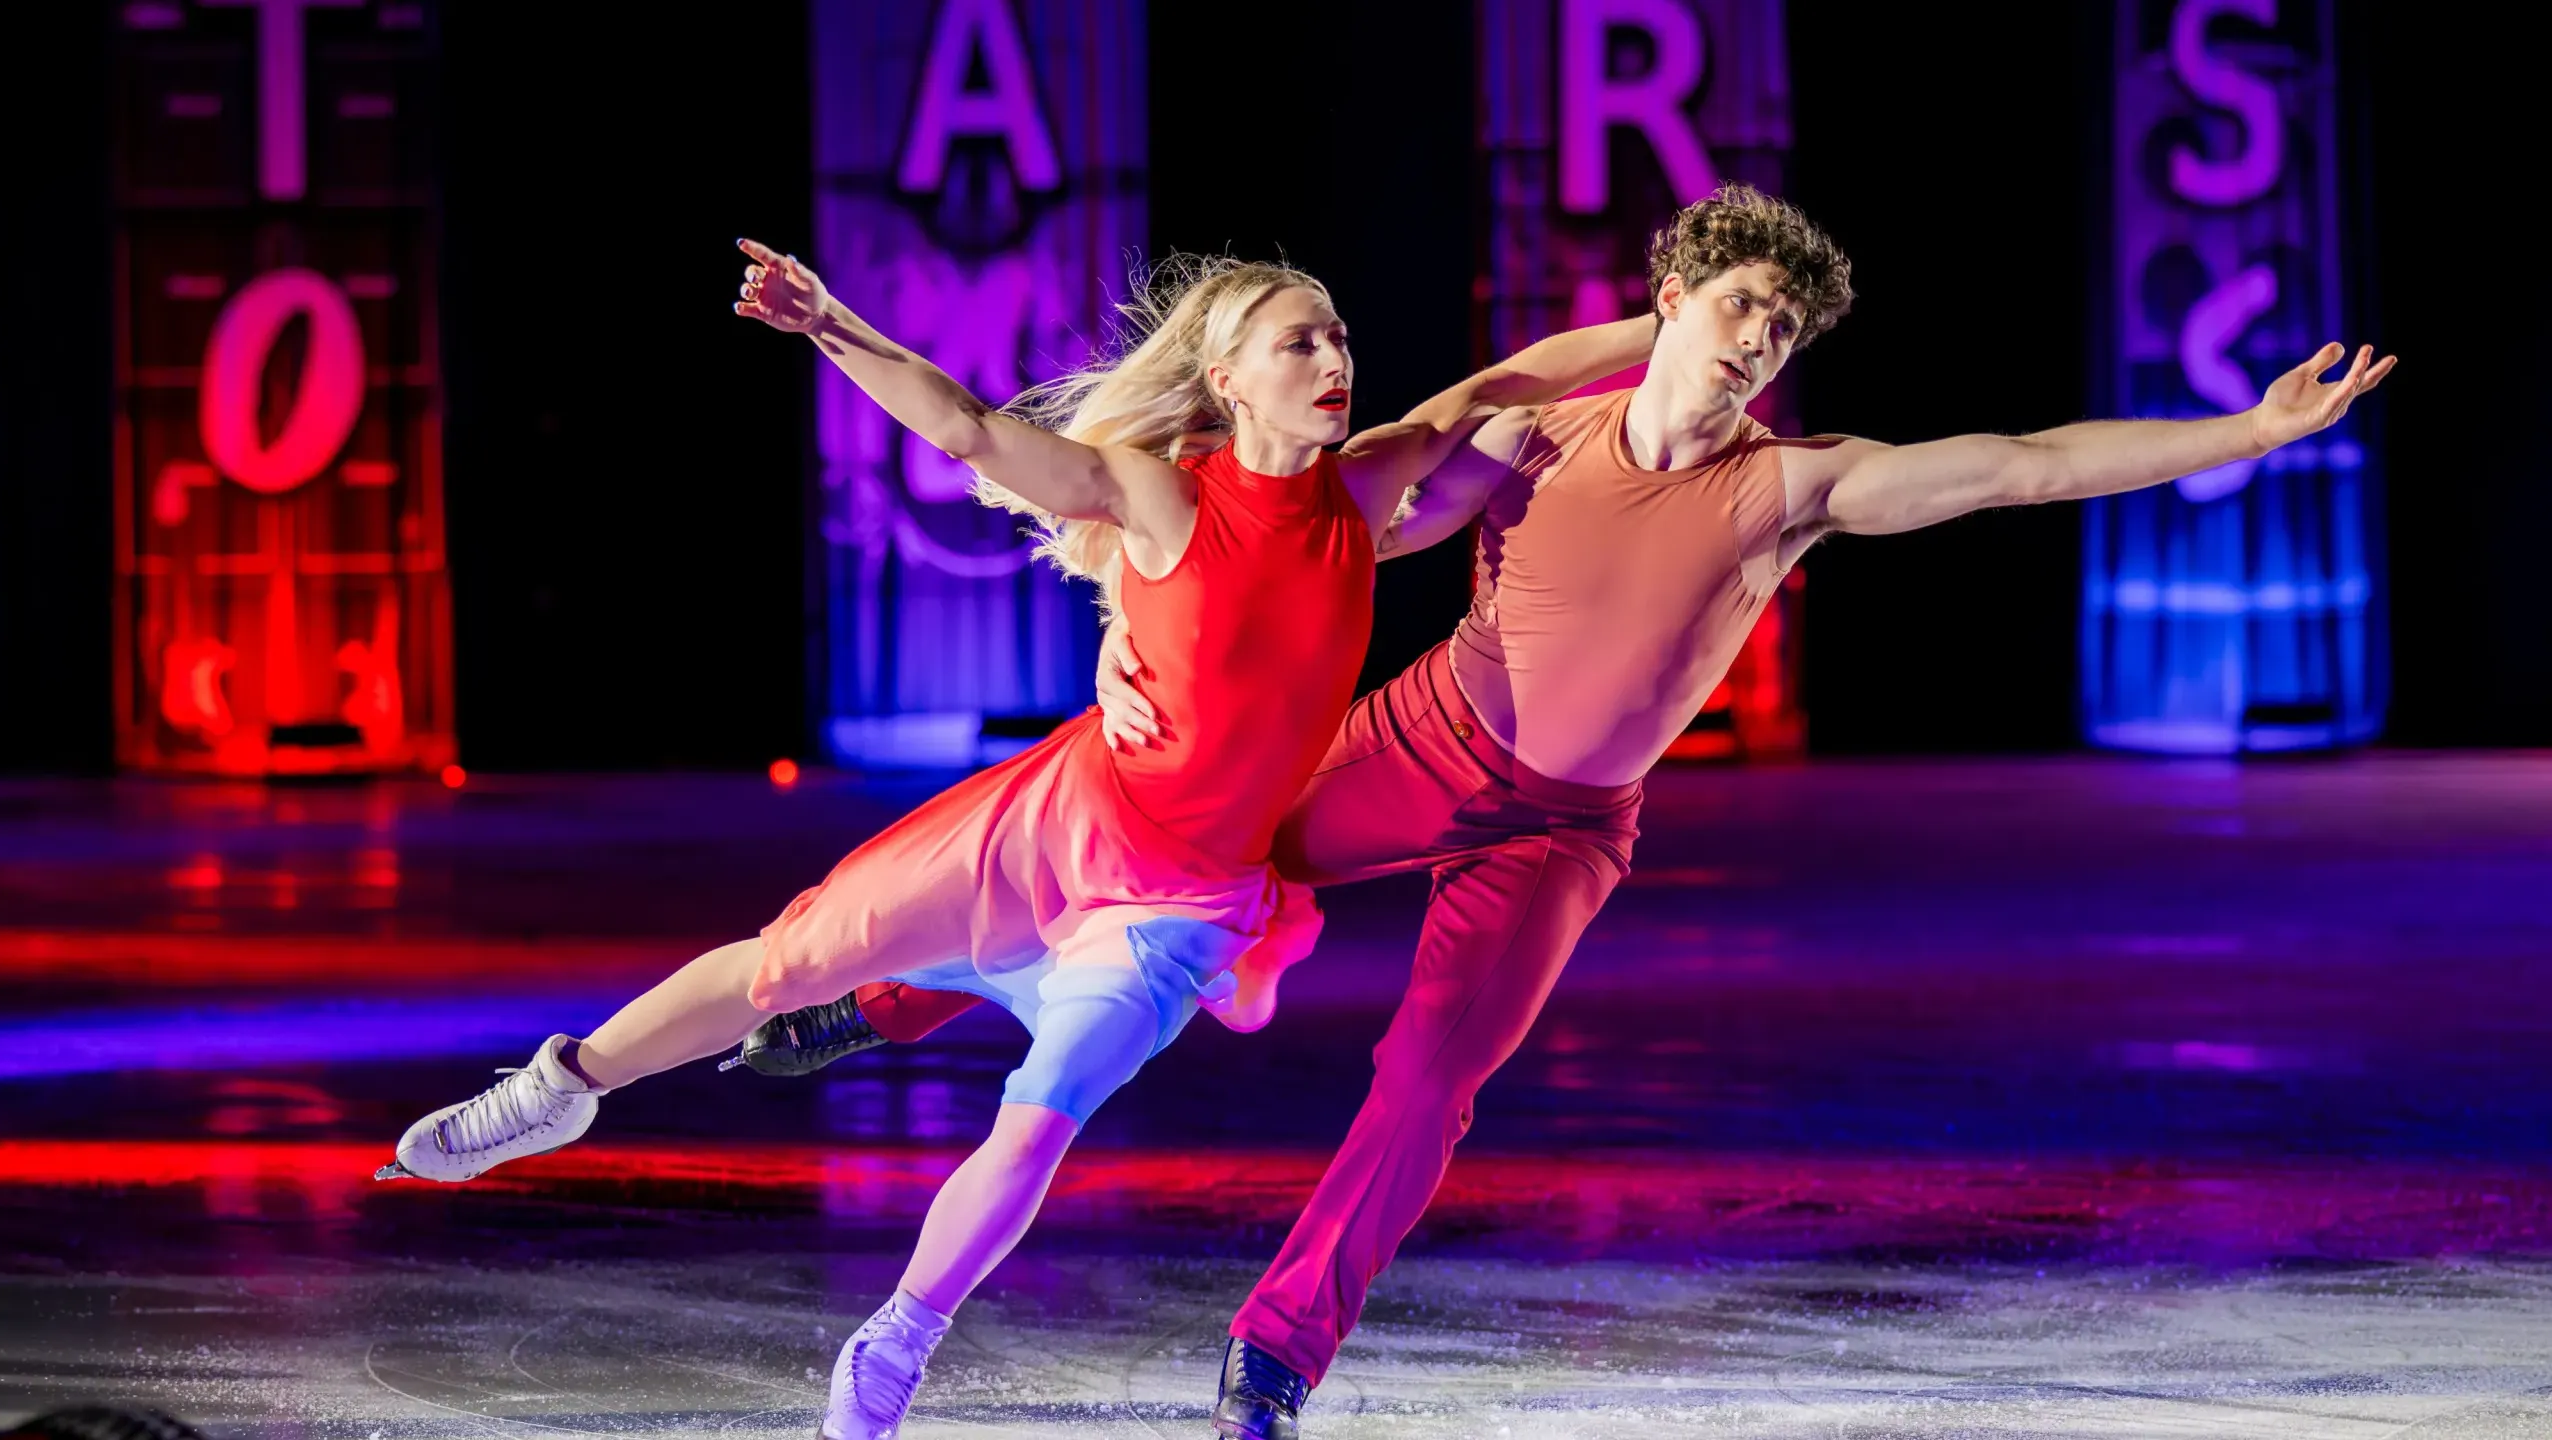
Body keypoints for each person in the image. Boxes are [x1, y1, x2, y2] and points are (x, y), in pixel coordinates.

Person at [747, 184, 2397, 1440]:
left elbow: (2020, 460)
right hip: (1420, 738)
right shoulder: (1534, 437)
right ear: (1674, 301)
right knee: (1188, 839)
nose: (1759, 346)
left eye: (1785, 334)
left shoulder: (1794, 486)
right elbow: (1325, 525)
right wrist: (1148, 579)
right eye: (1742, 308)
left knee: (1430, 1081)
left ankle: (1274, 1357)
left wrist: (2243, 432)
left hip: (1561, 833)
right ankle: (885, 999)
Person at [373, 239, 1655, 1440]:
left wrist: (1681, 331)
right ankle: (561, 1087)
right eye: (1300, 345)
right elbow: (972, 430)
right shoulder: (1161, 497)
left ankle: (895, 1341)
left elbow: (1507, 379)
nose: (1335, 363)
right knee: (786, 961)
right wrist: (830, 325)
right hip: (1056, 825)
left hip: (1180, 904)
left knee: (1037, 1118)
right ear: (1226, 378)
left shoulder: (1365, 485)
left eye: (1337, 340)